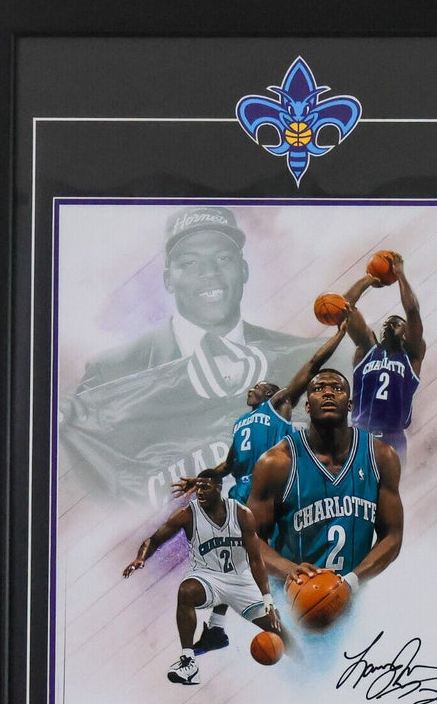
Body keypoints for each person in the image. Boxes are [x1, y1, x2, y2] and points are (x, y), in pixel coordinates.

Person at [60, 205, 340, 509]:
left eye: (223, 259)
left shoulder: (299, 360)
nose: (209, 273)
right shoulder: (113, 373)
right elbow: (90, 490)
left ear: (244, 270)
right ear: (168, 280)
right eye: (190, 262)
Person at [246, 369, 404, 600]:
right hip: (294, 600)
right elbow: (251, 537)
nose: (328, 392)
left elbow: (392, 536)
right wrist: (290, 570)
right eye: (319, 389)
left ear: (349, 405)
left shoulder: (381, 456)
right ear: (307, 406)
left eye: (337, 388)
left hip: (355, 596)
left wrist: (352, 581)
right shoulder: (276, 462)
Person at [122, 470, 284, 686]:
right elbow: (154, 539)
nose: (199, 492)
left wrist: (267, 599)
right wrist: (140, 558)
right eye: (197, 487)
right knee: (187, 591)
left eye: (205, 487)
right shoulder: (187, 514)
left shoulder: (241, 513)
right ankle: (189, 662)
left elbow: (256, 559)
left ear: (218, 489)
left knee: (282, 634)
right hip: (208, 578)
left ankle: (217, 631)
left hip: (239, 579)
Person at [170, 314, 350, 506]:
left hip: (273, 480)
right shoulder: (240, 423)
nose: (250, 390)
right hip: (242, 490)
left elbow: (312, 365)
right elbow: (229, 465)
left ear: (270, 393)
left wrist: (339, 335)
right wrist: (201, 480)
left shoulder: (277, 406)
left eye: (257, 387)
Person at [341, 252, 426, 464]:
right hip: (360, 435)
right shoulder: (367, 350)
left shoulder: (412, 357)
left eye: (398, 322)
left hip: (393, 438)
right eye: (387, 321)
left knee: (396, 486)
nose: (390, 322)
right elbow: (344, 308)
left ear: (407, 333)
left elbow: (412, 310)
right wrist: (369, 279)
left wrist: (400, 275)